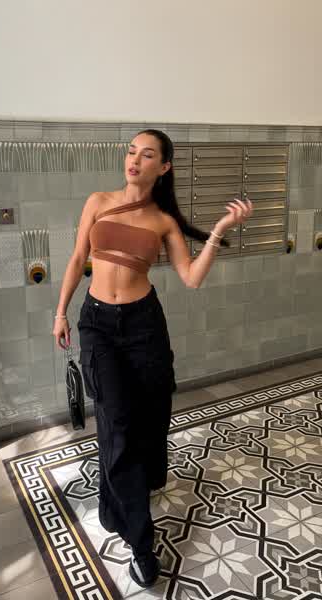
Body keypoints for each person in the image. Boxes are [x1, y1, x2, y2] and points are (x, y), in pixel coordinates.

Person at [52, 129, 253, 588]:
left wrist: (218, 231)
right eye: (131, 152)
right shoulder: (98, 201)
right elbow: (78, 258)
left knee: (150, 416)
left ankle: (115, 500)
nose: (134, 160)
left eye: (146, 155)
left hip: (144, 326)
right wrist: (60, 312)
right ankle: (142, 545)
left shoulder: (163, 221)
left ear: (163, 168)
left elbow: (191, 277)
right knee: (117, 422)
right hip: (98, 326)